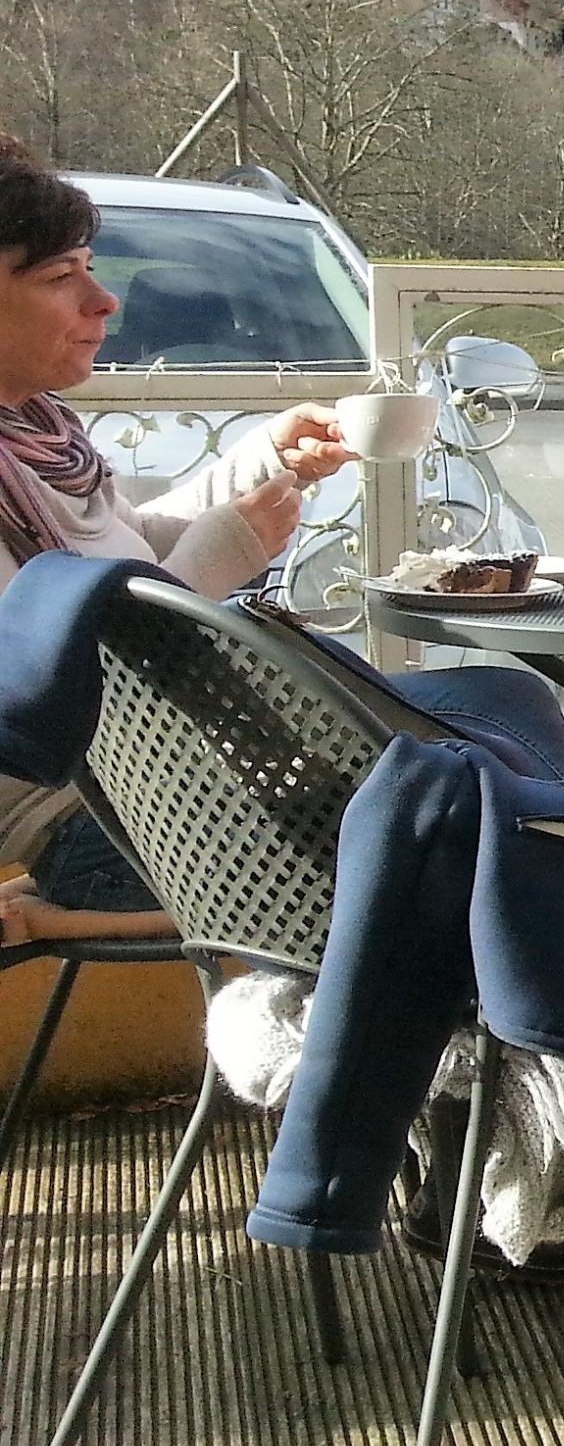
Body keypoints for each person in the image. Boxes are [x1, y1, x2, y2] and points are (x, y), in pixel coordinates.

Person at [0, 135, 353, 946]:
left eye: (90, 268)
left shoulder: (35, 431)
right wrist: (219, 557)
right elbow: (70, 673)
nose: (104, 301)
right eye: (60, 277)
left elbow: (127, 550)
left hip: (170, 782)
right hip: (98, 822)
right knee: (410, 850)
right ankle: (60, 919)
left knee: (471, 760)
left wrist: (264, 465)